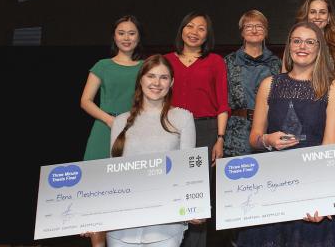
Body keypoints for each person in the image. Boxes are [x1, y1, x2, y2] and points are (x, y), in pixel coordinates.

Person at [237, 22, 335, 247]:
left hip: (311, 182)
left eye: (309, 42)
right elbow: (254, 138)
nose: (302, 46)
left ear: (319, 49)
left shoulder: (333, 88)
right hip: (272, 184)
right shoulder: (269, 85)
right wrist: (267, 140)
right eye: (296, 41)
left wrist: (320, 196)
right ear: (289, 46)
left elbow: (329, 149)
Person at [106, 54, 199, 247]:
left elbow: (189, 171)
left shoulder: (183, 118)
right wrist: (91, 216)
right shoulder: (120, 121)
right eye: (151, 76)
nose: (157, 83)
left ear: (171, 82)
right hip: (122, 227)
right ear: (140, 79)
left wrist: (194, 206)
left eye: (163, 77)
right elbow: (111, 175)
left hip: (165, 226)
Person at [163, 12, 228, 247]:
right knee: (170, 187)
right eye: (189, 26)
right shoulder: (165, 60)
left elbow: (222, 104)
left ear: (207, 35)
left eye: (201, 28)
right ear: (181, 30)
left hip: (205, 130)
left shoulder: (215, 62)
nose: (194, 32)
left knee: (197, 194)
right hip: (170, 130)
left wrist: (220, 138)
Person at [79, 15, 144, 247]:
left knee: (125, 191)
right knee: (97, 190)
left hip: (134, 132)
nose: (126, 38)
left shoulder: (146, 67)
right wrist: (109, 120)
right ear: (114, 36)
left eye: (132, 33)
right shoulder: (102, 65)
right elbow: (86, 101)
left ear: (139, 37)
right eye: (121, 33)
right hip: (103, 131)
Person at [223, 10, 282, 157]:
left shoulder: (277, 64)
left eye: (259, 26)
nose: (254, 30)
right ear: (242, 32)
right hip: (236, 133)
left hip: (268, 131)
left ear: (266, 32)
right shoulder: (228, 62)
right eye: (248, 26)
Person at [293, 0, 335, 79]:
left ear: (329, 17)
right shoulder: (294, 45)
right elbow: (284, 81)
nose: (317, 17)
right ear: (306, 16)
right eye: (312, 12)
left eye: (322, 12)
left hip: (330, 92)